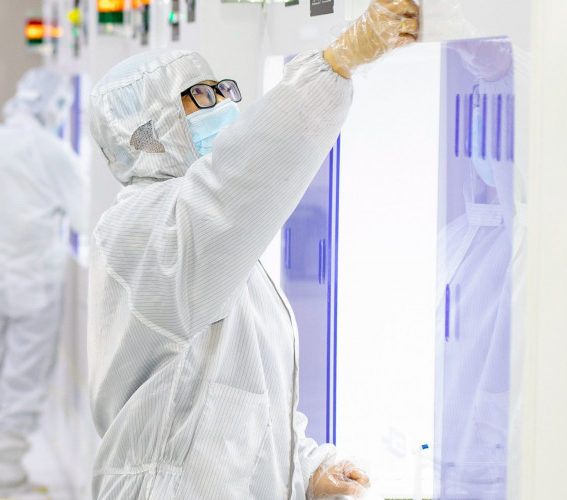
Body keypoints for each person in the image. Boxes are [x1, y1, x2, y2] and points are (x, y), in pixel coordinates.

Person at [83, 1, 418, 498]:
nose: (222, 105)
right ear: (147, 134)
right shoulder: (145, 231)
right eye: (199, 95)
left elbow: (234, 397)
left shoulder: (207, 239)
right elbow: (248, 170)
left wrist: (305, 470)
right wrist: (335, 64)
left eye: (223, 89)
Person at [0, 68, 88, 500]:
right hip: (37, 282)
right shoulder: (53, 151)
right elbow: (86, 219)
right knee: (25, 375)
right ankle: (6, 475)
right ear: (55, 106)